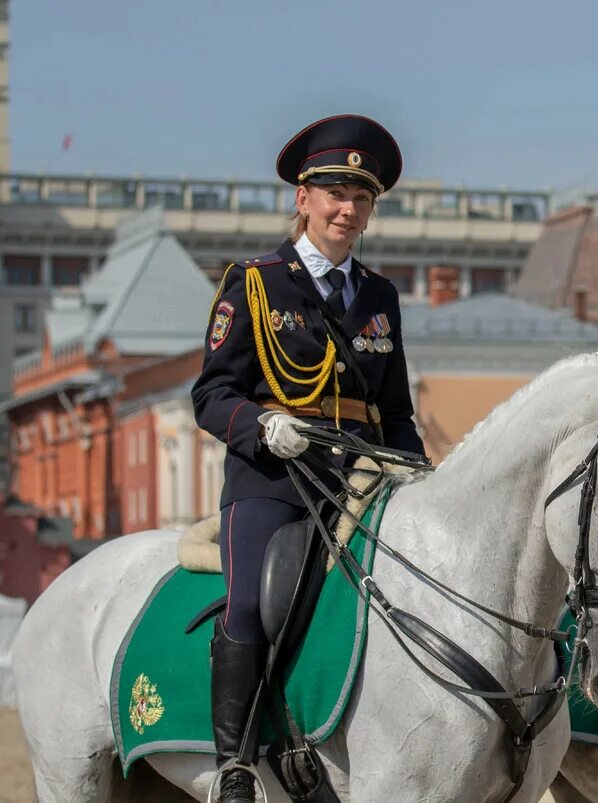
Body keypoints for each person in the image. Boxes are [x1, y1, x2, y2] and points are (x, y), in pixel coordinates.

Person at [192, 114, 425, 803]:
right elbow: (210, 394)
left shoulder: (379, 297)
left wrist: (416, 467)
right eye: (335, 193)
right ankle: (235, 762)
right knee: (252, 605)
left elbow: (397, 412)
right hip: (275, 480)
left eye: (362, 198)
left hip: (358, 483)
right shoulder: (255, 282)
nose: (348, 210)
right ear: (303, 198)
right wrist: (263, 424)